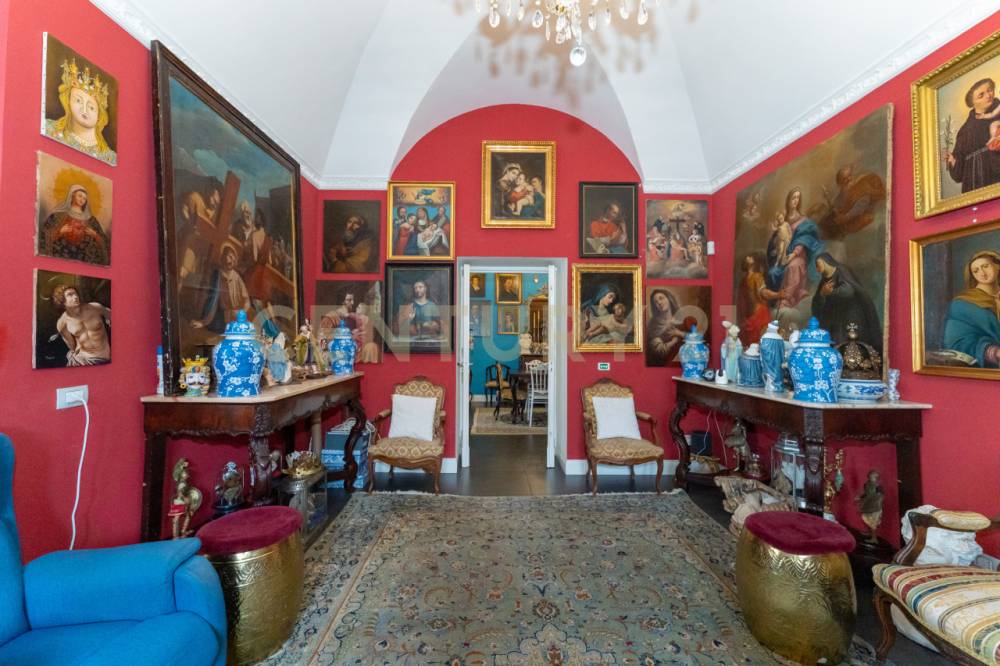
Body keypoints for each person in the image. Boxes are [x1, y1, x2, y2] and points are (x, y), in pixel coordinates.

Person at [45, 58, 116, 164]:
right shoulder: (49, 129)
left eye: (91, 107)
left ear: (100, 115)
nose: (84, 109)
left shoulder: (110, 157)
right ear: (68, 101)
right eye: (78, 101)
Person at [766, 188, 824, 311]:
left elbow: (805, 238)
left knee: (793, 266)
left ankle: (787, 299)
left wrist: (794, 254)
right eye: (793, 197)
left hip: (798, 255)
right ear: (788, 200)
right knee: (772, 273)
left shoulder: (804, 221)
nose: (796, 200)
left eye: (798, 198)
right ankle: (777, 298)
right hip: (783, 256)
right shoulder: (782, 218)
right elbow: (776, 239)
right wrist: (776, 247)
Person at [810, 253, 882, 352]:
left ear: (826, 261)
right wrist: (822, 294)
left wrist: (832, 292)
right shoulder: (824, 281)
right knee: (837, 343)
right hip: (836, 318)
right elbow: (817, 303)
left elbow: (849, 291)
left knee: (850, 344)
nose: (817, 269)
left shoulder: (842, 271)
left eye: (818, 265)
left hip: (850, 314)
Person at [942, 250, 1000, 367]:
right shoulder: (961, 304)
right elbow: (955, 342)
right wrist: (992, 352)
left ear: (998, 266)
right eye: (976, 271)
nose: (982, 273)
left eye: (985, 266)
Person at [944, 77, 1000, 193]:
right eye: (981, 95)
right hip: (972, 182)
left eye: (989, 90)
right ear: (972, 103)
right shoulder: (964, 130)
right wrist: (952, 160)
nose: (988, 95)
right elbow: (959, 174)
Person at [39, 184, 110, 265]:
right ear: (72, 195)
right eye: (80, 196)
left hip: (85, 262)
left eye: (84, 198)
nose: (82, 199)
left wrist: (95, 235)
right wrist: (59, 232)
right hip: (61, 259)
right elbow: (45, 235)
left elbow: (105, 242)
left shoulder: (92, 220)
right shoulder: (58, 216)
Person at [191, 244, 251, 334]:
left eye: (232, 257)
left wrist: (242, 312)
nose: (230, 260)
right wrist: (203, 322)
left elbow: (246, 300)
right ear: (223, 259)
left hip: (236, 314)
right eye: (228, 257)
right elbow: (212, 300)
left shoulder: (237, 277)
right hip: (220, 316)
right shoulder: (217, 275)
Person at [53, 283, 111, 366]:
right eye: (70, 295)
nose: (75, 297)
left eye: (75, 293)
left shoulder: (95, 307)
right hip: (82, 360)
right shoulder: (62, 323)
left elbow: (114, 317)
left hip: (104, 357)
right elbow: (72, 346)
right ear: (62, 301)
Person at [737, 253, 774, 345]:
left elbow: (762, 292)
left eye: (750, 257)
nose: (748, 257)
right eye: (748, 257)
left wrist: (777, 295)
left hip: (755, 315)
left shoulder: (752, 278)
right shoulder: (749, 279)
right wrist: (778, 295)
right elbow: (763, 293)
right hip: (754, 314)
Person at [646, 289, 685, 364]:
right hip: (664, 363)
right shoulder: (653, 324)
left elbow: (694, 338)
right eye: (656, 302)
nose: (659, 303)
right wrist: (673, 342)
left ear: (669, 299)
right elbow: (657, 350)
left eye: (661, 298)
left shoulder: (681, 320)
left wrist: (680, 333)